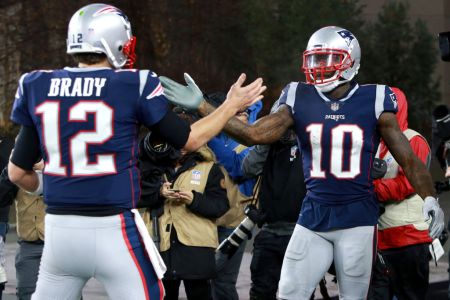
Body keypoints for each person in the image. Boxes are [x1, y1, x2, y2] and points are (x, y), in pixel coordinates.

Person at [160, 25, 445, 299]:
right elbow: (253, 134)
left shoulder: (375, 99)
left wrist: (429, 198)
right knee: (290, 293)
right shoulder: (299, 95)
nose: (319, 65)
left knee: (353, 297)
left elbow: (408, 159)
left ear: (351, 61)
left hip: (357, 219)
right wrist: (204, 106)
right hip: (313, 216)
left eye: (327, 57)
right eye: (315, 58)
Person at [6, 3, 265, 300]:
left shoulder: (37, 84)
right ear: (114, 42)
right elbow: (189, 141)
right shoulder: (134, 83)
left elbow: (16, 172)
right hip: (113, 228)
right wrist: (230, 106)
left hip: (59, 232)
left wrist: (50, 185)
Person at [140, 130, 229, 300]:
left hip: (196, 248)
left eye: (185, 143)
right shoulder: (151, 166)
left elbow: (220, 206)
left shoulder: (210, 168)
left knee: (199, 294)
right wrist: (159, 192)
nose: (181, 148)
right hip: (160, 246)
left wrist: (193, 199)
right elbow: (135, 196)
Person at [367, 87, 433, 300]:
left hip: (409, 239)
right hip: (379, 241)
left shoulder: (413, 140)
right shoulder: (374, 143)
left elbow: (408, 184)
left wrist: (370, 188)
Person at [241, 110, 306, 300]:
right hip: (269, 232)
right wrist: (267, 138)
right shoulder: (270, 145)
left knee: (299, 294)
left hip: (302, 233)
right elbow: (248, 168)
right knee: (261, 292)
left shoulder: (312, 144)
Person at [204, 92, 262, 300]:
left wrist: (207, 132)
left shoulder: (254, 140)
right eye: (237, 112)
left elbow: (236, 165)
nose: (243, 114)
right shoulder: (219, 135)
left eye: (245, 112)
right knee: (205, 280)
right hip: (206, 218)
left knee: (223, 282)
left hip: (234, 221)